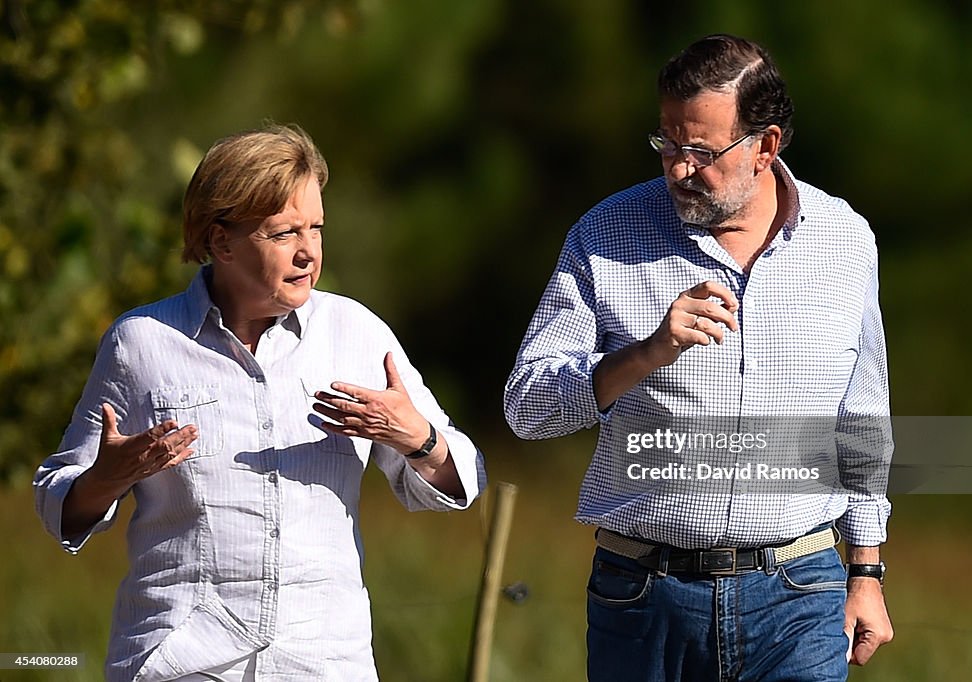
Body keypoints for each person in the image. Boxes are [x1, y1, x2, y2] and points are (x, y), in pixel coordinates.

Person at [34, 124, 486, 681]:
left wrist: (418, 438)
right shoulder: (142, 342)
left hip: (323, 662)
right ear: (221, 241)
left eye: (316, 229)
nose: (307, 252)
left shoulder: (358, 334)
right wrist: (107, 477)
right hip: (181, 660)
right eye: (283, 233)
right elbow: (59, 507)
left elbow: (462, 483)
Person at [504, 34, 893, 681]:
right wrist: (647, 353)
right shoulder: (605, 235)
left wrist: (867, 570)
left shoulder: (845, 241)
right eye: (667, 144)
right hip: (645, 597)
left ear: (766, 146)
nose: (679, 169)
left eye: (702, 152)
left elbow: (862, 416)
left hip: (800, 595)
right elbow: (527, 410)